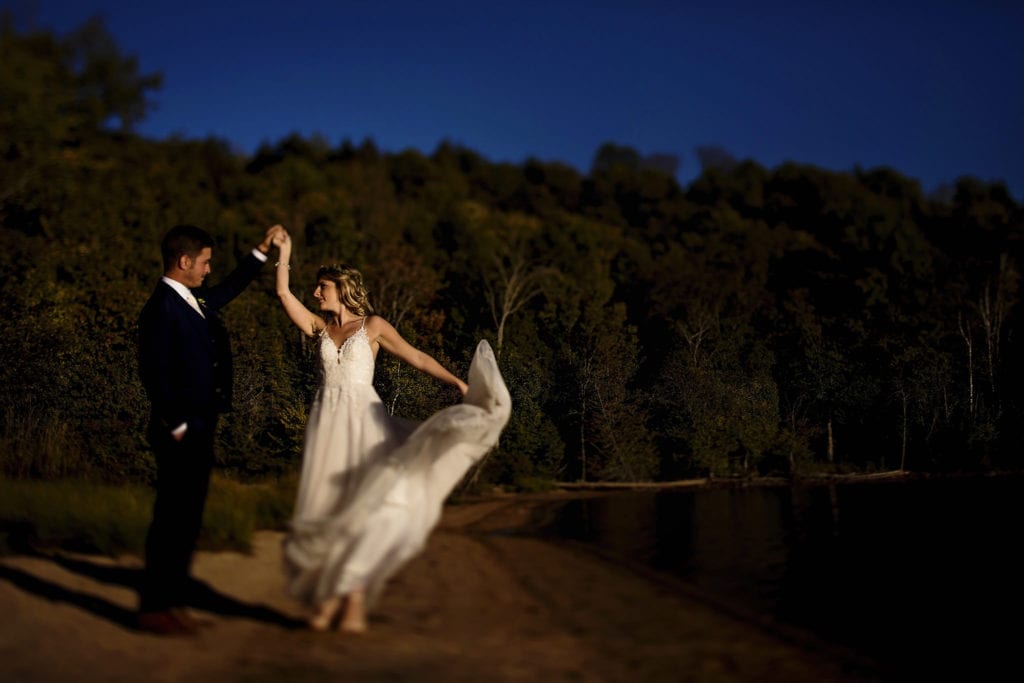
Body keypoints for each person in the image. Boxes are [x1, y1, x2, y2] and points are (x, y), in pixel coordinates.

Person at [272, 229, 510, 633]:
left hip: (365, 423)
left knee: (363, 511)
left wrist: (456, 382)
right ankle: (329, 599)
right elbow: (283, 295)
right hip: (328, 426)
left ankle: (354, 602)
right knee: (329, 510)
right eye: (315, 287)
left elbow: (416, 355)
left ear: (343, 290)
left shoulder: (374, 325)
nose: (316, 293)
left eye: (323, 287)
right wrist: (285, 253)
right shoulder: (318, 328)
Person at [136, 223, 284, 635]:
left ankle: (171, 601)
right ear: (184, 262)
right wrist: (179, 425)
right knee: (171, 519)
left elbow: (229, 288)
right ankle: (154, 607)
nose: (207, 270)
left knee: (187, 520)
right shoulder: (161, 307)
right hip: (180, 431)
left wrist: (260, 251)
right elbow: (153, 372)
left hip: (200, 426)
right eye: (204, 263)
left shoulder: (193, 298)